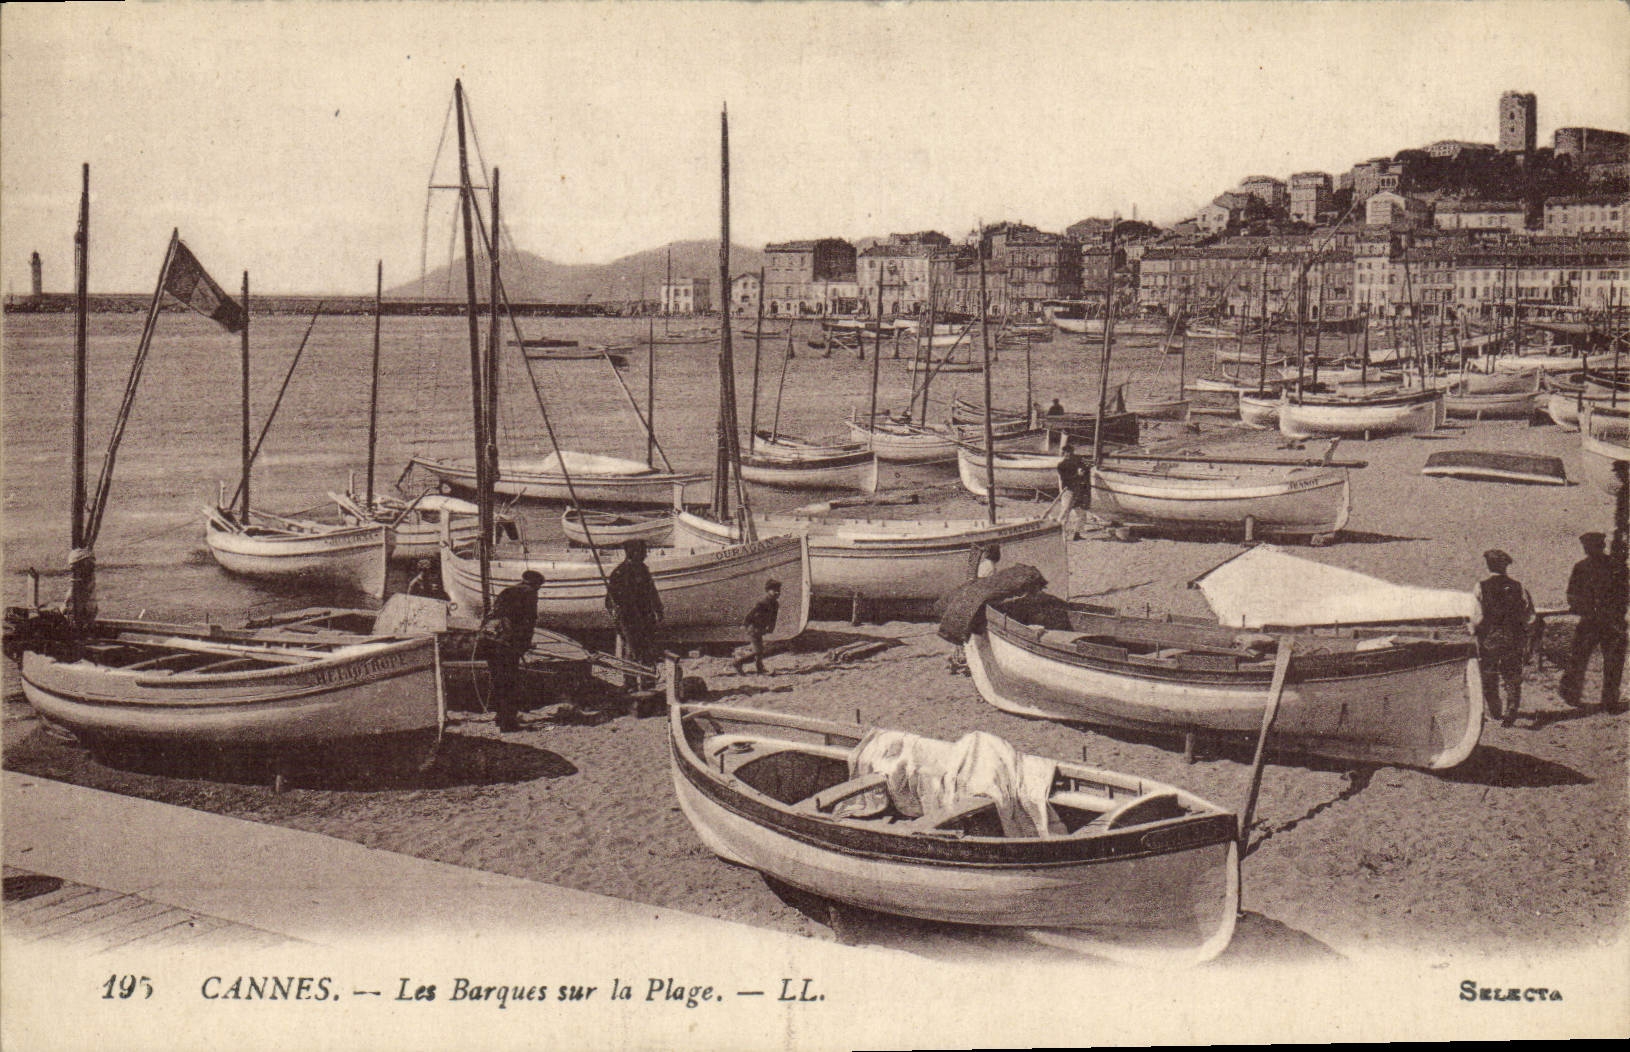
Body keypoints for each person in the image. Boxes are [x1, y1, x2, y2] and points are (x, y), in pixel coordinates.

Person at [1560, 531, 1628, 713]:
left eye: (1588, 547)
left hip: (1598, 622)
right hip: (1605, 622)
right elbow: (1572, 594)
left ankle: (1575, 697)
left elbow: (1571, 595)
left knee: (1582, 659)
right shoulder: (1616, 567)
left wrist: (1584, 607)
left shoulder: (1588, 567)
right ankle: (1607, 702)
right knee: (1606, 662)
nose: (1587, 550)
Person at [1470, 549, 1535, 728]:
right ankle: (1511, 711)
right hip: (1513, 637)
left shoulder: (1480, 586)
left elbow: (1477, 617)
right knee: (1512, 675)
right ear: (1505, 566)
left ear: (1488, 565)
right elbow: (1529, 616)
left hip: (1489, 638)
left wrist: (1473, 630)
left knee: (1489, 674)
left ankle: (1495, 710)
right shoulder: (1519, 587)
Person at [483, 570, 543, 733]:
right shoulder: (530, 595)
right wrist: (524, 645)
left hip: (491, 641)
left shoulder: (507, 591)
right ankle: (508, 723)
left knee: (498, 680)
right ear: (536, 585)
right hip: (507, 644)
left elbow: (492, 616)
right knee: (510, 682)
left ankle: (499, 717)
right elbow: (528, 623)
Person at [605, 540, 664, 687]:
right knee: (632, 651)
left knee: (648, 650)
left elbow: (651, 591)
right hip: (629, 619)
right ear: (634, 552)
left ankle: (648, 682)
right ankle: (630, 684)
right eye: (643, 551)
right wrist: (617, 615)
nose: (645, 554)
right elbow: (609, 601)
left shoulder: (643, 569)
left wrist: (658, 608)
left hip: (646, 616)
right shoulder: (619, 573)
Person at [732, 579, 782, 675]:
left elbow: (773, 618)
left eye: (778, 590)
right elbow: (751, 614)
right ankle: (738, 662)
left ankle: (759, 669)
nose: (777, 592)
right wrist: (745, 624)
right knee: (758, 651)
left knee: (760, 650)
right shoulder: (762, 603)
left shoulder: (775, 604)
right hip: (753, 628)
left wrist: (771, 628)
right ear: (767, 591)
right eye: (774, 590)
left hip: (761, 629)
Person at [1056, 440, 1091, 539]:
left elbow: (1086, 466)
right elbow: (1066, 479)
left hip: (1077, 491)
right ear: (1063, 454)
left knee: (1081, 513)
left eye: (1070, 453)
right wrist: (1078, 474)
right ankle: (1059, 533)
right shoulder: (1061, 465)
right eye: (1067, 453)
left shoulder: (1076, 461)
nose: (1068, 454)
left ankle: (1077, 534)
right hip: (1068, 491)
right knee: (1065, 512)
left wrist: (1085, 467)